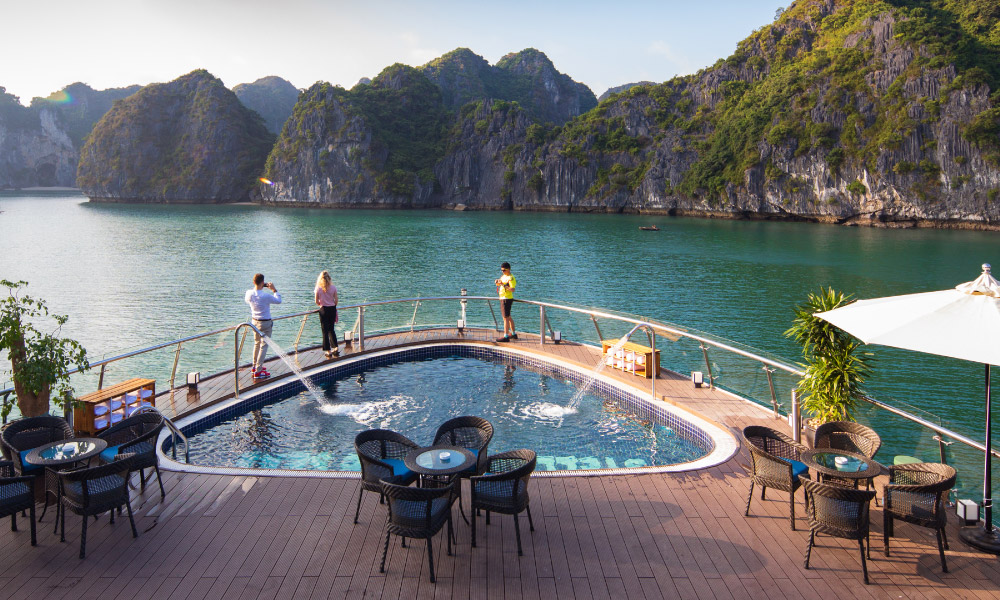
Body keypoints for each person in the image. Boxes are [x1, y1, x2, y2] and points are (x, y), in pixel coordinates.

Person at [245, 274, 282, 379]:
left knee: (256, 344)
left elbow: (250, 296)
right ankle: (258, 371)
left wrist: (258, 287)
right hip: (265, 323)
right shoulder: (266, 296)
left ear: (253, 282)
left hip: (254, 322)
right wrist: (274, 290)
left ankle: (254, 367)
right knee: (263, 346)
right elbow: (278, 301)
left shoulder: (249, 293)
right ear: (263, 283)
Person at [314, 270, 339, 359]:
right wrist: (331, 304)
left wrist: (321, 304)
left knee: (325, 330)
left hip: (323, 309)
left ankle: (328, 351)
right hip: (332, 309)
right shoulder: (333, 288)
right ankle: (335, 347)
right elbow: (336, 301)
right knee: (331, 329)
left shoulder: (318, 288)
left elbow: (316, 301)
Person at [495, 262, 517, 342]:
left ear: (509, 269)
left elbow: (512, 289)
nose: (502, 271)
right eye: (501, 270)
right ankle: (513, 333)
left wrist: (503, 285)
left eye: (504, 270)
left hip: (506, 299)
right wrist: (498, 282)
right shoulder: (503, 276)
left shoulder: (511, 278)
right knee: (508, 317)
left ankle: (506, 336)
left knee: (505, 318)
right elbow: (500, 283)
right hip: (503, 298)